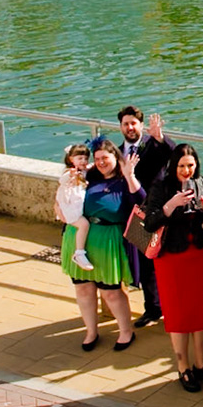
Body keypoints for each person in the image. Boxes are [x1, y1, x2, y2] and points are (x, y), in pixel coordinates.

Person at [131, 143, 203, 392]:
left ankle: (202, 363)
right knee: (178, 312)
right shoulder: (161, 186)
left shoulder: (200, 182)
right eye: (182, 166)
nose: (186, 170)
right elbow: (149, 223)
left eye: (190, 165)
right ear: (174, 166)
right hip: (171, 257)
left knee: (200, 310)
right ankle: (184, 367)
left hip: (195, 253)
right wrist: (170, 206)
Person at [93, 106, 172, 327]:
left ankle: (170, 304)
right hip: (133, 215)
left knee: (164, 261)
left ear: (140, 125)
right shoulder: (116, 153)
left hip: (157, 211)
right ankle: (153, 308)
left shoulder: (154, 146)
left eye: (134, 123)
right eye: (126, 124)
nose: (130, 127)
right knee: (145, 264)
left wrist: (161, 138)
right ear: (120, 127)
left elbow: (173, 155)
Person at [64, 140, 136, 352]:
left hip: (108, 238)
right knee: (83, 288)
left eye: (105, 157)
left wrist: (130, 175)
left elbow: (141, 199)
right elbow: (65, 192)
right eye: (97, 159)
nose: (101, 162)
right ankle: (91, 331)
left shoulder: (125, 181)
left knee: (111, 291)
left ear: (116, 158)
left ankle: (126, 331)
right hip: (79, 237)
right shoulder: (88, 176)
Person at [55, 144, 95, 273]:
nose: (83, 161)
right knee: (84, 225)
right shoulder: (69, 172)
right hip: (69, 207)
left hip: (76, 205)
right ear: (71, 159)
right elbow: (62, 180)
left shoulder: (84, 171)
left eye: (85, 158)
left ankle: (80, 253)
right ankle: (79, 253)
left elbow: (90, 167)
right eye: (80, 158)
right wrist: (71, 175)